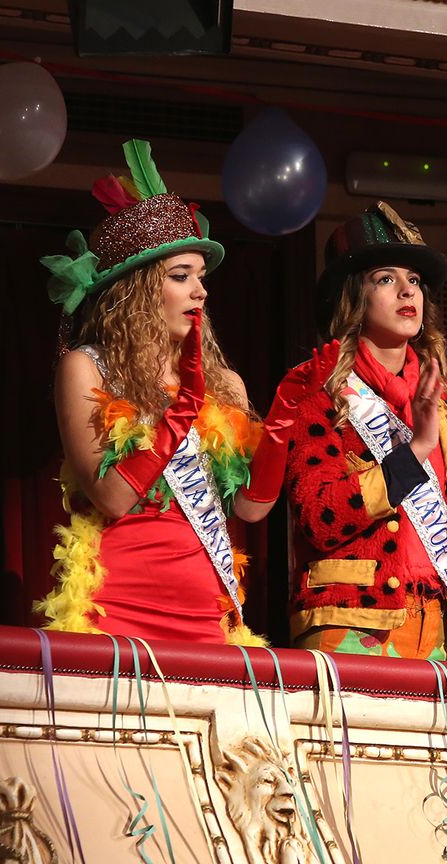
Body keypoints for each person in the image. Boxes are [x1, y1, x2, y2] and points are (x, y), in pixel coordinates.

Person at [36, 140, 278, 644]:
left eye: (202, 277)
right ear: (139, 288)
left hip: (206, 610)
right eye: (180, 276)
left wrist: (281, 427)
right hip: (118, 605)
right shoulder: (87, 369)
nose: (200, 291)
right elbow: (112, 497)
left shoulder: (225, 382)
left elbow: (251, 509)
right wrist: (179, 412)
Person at [278, 202, 447, 660]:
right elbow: (321, 517)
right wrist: (415, 451)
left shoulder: (443, 399)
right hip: (351, 623)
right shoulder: (318, 389)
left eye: (414, 281)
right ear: (353, 296)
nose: (407, 290)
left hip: (438, 626)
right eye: (386, 278)